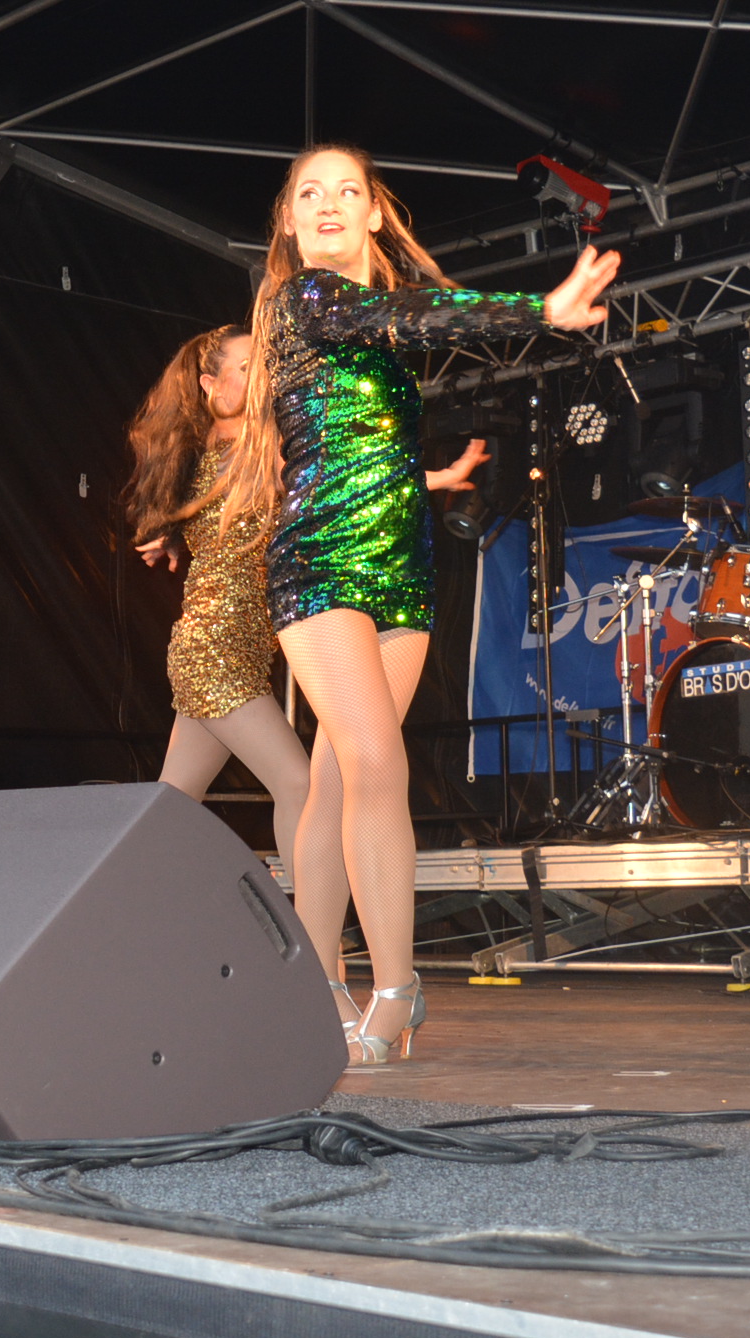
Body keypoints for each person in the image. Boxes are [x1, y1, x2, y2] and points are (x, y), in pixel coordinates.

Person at [222, 145, 618, 1064]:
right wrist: (540, 309)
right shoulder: (303, 298)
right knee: (372, 760)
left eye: (346, 191)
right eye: (309, 193)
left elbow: (390, 381)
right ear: (289, 220)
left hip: (402, 565)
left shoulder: (373, 326)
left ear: (374, 212)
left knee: (335, 781)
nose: (327, 204)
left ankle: (320, 989)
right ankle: (397, 990)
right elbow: (410, 312)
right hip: (318, 559)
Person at [126, 327, 488, 923]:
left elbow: (334, 481)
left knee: (172, 801)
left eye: (263, 362)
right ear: (210, 384)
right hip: (216, 652)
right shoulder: (246, 449)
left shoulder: (238, 448)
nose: (262, 374)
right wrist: (435, 479)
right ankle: (311, 943)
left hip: (228, 650)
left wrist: (172, 534)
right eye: (246, 366)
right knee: (298, 784)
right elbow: (342, 478)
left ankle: (115, 907)